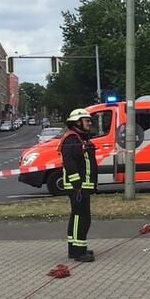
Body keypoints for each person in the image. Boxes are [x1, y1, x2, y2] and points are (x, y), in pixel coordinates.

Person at [60, 108, 98, 262]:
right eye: (86, 120)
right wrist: (76, 184)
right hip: (77, 187)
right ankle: (77, 252)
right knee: (80, 218)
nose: (89, 122)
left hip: (83, 186)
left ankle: (78, 248)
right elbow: (69, 162)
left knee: (81, 217)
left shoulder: (80, 139)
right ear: (77, 122)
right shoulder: (71, 139)